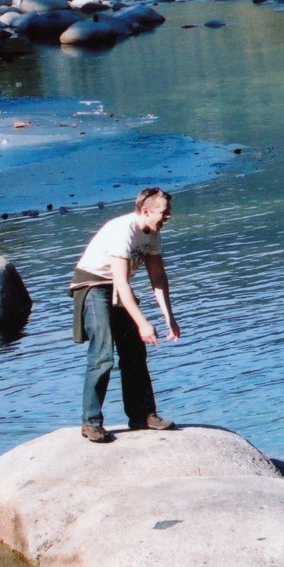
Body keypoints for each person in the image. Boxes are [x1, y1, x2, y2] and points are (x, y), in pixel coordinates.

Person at [69, 187, 181, 443]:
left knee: (135, 352)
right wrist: (142, 323)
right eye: (164, 213)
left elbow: (158, 278)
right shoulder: (123, 231)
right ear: (145, 211)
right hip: (93, 285)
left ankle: (142, 415)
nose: (168, 217)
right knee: (103, 354)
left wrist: (168, 317)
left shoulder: (152, 234)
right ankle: (91, 422)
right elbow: (121, 283)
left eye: (168, 212)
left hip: (117, 287)